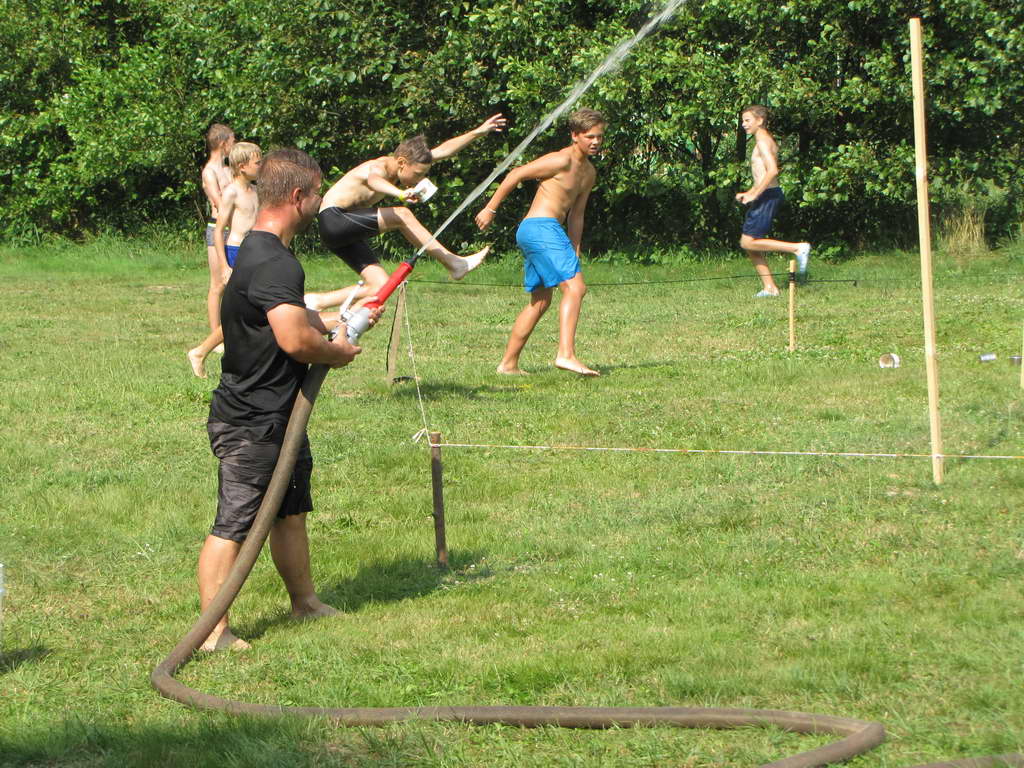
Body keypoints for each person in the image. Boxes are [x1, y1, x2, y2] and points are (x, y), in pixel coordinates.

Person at [196, 148, 382, 651]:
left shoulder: (261, 250)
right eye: (318, 193)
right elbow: (296, 341)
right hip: (253, 420)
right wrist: (337, 352)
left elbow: (288, 318)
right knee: (234, 525)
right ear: (298, 197)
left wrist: (343, 321)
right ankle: (212, 632)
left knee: (289, 511)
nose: (322, 202)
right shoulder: (276, 262)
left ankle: (305, 602)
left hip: (280, 414)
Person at [302, 114, 507, 311]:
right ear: (401, 163)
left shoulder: (409, 162)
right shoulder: (379, 166)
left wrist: (478, 132)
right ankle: (454, 263)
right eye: (418, 174)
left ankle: (318, 302)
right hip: (333, 220)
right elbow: (374, 180)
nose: (420, 179)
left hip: (342, 228)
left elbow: (444, 150)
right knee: (402, 215)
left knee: (381, 285)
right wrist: (399, 193)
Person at [475, 108, 605, 377]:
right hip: (540, 227)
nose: (595, 142)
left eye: (599, 137)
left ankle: (508, 364)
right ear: (575, 135)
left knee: (541, 300)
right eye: (590, 136)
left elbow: (577, 214)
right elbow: (516, 174)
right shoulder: (560, 160)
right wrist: (490, 209)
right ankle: (566, 355)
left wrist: (575, 248)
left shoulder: (589, 172)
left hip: (542, 231)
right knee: (575, 288)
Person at [188, 141, 262, 377]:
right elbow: (219, 230)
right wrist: (224, 265)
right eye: (257, 162)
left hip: (254, 251)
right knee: (242, 309)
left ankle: (247, 353)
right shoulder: (231, 192)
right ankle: (200, 352)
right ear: (242, 166)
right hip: (236, 252)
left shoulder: (255, 191)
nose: (261, 166)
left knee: (254, 306)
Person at [735, 105, 811, 298]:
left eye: (747, 120)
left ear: (760, 121)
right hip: (766, 194)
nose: (743, 124)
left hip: (767, 196)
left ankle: (798, 248)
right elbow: (761, 176)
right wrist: (750, 192)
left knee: (748, 242)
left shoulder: (762, 142)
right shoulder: (763, 140)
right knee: (750, 244)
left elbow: (772, 171)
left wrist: (755, 195)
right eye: (743, 121)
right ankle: (770, 288)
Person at [201, 124, 236, 330]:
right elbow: (218, 202)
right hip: (218, 228)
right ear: (223, 143)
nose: (234, 145)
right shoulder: (209, 172)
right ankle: (215, 334)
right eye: (232, 141)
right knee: (218, 284)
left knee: (236, 281)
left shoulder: (229, 170)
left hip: (235, 229)